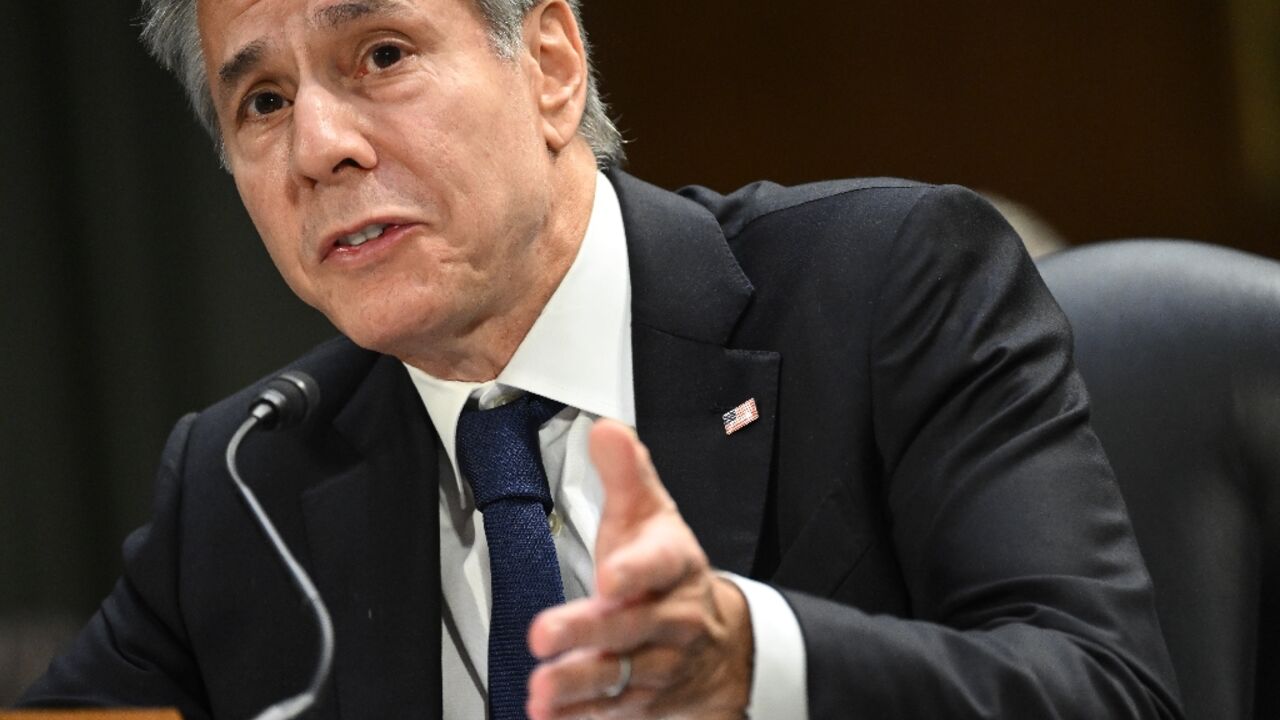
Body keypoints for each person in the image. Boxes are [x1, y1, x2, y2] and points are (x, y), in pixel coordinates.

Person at [19, 0, 1184, 718]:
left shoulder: (883, 285)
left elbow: (1103, 695)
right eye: (262, 101)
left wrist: (751, 666)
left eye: (379, 53)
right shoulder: (243, 481)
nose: (319, 146)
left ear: (550, 64)